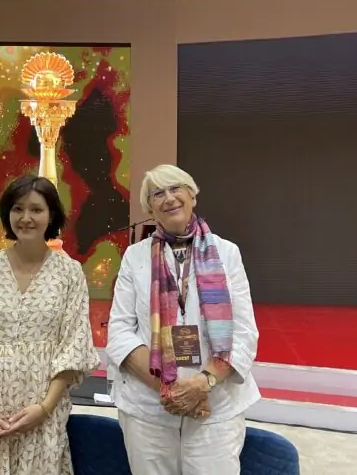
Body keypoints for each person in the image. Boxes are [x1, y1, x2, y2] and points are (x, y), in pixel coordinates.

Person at [106, 164, 260, 475]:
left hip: (214, 406)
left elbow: (244, 333)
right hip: (149, 408)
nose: (168, 198)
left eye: (176, 188)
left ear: (192, 196)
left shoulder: (227, 253)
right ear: (150, 208)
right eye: (157, 194)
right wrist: (171, 391)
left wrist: (203, 384)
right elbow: (120, 332)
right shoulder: (135, 257)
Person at [0, 174, 101, 475]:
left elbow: (73, 345)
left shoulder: (69, 273)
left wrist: (44, 409)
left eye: (36, 209)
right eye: (17, 209)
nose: (26, 218)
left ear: (51, 215)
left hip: (42, 408)